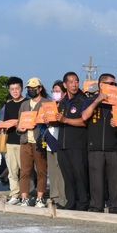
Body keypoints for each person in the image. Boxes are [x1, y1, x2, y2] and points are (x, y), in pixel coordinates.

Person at [81, 73, 117, 213]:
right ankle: (96, 206)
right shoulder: (90, 100)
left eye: (115, 84)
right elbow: (84, 116)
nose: (114, 87)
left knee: (116, 180)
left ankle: (115, 206)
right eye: (111, 84)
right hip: (95, 147)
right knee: (96, 179)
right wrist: (97, 100)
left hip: (114, 146)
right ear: (101, 85)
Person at [56, 72, 89, 211]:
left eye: (76, 81)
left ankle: (83, 203)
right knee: (67, 175)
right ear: (65, 85)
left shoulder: (83, 100)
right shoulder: (62, 102)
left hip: (77, 144)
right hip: (62, 145)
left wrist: (65, 120)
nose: (74, 84)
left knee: (79, 174)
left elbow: (84, 122)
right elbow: (58, 120)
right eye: (71, 82)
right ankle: (71, 202)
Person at [17, 78, 49, 207]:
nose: (31, 90)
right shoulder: (24, 104)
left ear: (40, 88)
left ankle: (40, 198)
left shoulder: (47, 103)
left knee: (41, 170)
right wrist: (20, 128)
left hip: (40, 141)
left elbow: (51, 122)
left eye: (33, 88)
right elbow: (19, 124)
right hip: (25, 141)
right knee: (24, 171)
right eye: (29, 88)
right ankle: (24, 197)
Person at [0, 77, 26, 205]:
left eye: (17, 88)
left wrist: (14, 122)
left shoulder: (27, 103)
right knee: (12, 171)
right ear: (9, 90)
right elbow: (2, 122)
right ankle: (14, 194)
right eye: (12, 89)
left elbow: (27, 120)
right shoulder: (7, 105)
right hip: (9, 141)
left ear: (21, 89)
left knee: (25, 171)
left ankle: (25, 195)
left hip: (24, 141)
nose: (15, 91)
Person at [46, 80, 66, 209]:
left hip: (61, 140)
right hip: (49, 141)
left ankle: (63, 199)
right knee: (52, 171)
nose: (55, 93)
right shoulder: (50, 105)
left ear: (64, 93)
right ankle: (54, 196)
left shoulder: (65, 105)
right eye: (54, 91)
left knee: (61, 171)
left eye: (58, 91)